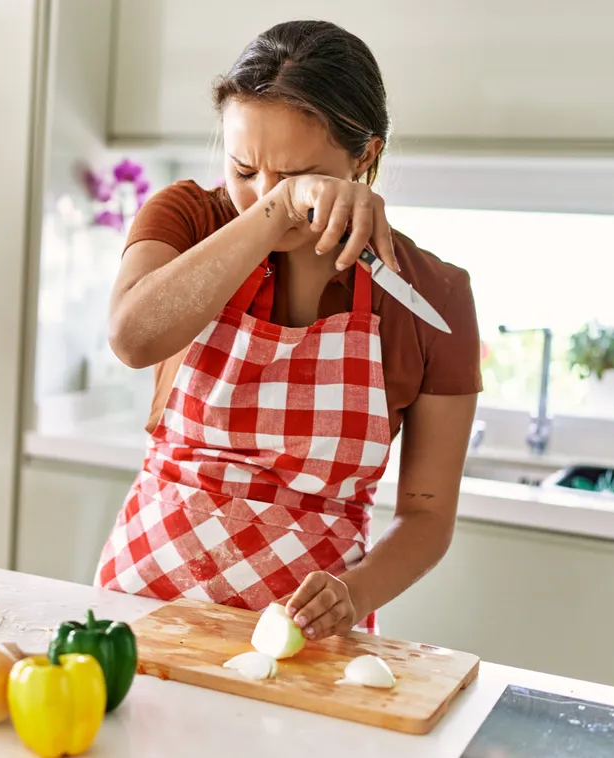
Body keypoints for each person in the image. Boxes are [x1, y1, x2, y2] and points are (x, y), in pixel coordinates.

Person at [95, 20, 481, 641]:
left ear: (365, 155)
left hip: (301, 641)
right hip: (142, 602)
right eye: (243, 168)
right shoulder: (189, 217)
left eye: (300, 173)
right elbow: (133, 339)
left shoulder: (433, 295)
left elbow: (427, 518)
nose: (260, 194)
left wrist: (351, 596)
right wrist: (278, 208)